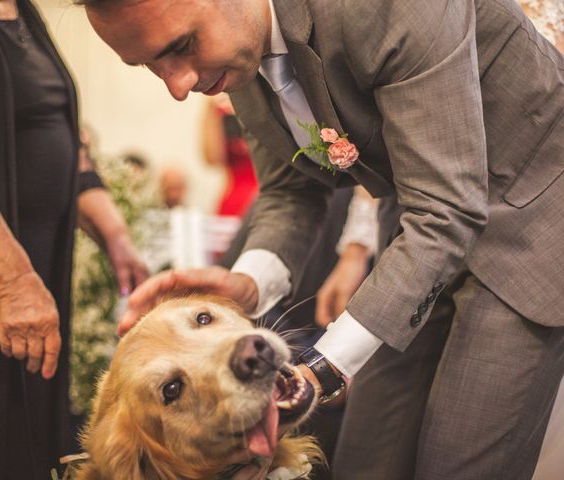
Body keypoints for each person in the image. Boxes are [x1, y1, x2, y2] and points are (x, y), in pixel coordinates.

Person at [81, 0, 564, 479]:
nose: (179, 85)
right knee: (366, 456)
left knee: (456, 462)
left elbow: (446, 210)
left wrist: (321, 366)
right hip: (416, 227)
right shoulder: (237, 55)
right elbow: (291, 190)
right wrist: (248, 283)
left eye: (183, 45)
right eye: (150, 65)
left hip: (533, 209)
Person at [0, 1, 147, 479]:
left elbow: (59, 129)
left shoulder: (21, 7)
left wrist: (115, 233)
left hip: (35, 267)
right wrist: (14, 283)